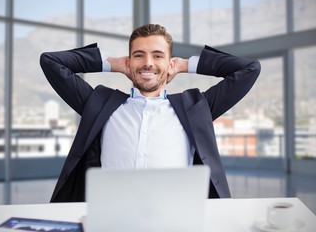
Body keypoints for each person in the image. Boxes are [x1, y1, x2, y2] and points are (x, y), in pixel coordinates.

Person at [40, 24, 261, 202]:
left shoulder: (195, 107)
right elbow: (51, 61)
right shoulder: (100, 104)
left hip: (175, 221)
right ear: (129, 61)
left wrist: (185, 64)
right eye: (138, 55)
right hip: (112, 221)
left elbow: (249, 69)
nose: (147, 63)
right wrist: (113, 63)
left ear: (169, 62)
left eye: (157, 56)